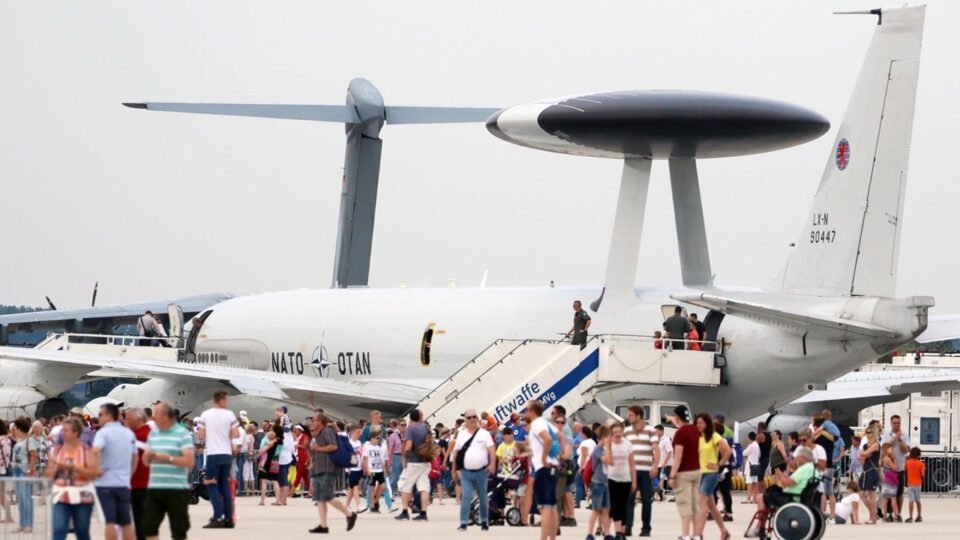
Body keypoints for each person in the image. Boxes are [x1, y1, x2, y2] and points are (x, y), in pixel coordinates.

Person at [141, 402, 196, 540]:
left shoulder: (182, 434)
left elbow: (189, 461)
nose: (153, 418)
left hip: (176, 488)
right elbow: (145, 461)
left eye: (157, 414)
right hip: (155, 488)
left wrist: (168, 458)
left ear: (166, 416)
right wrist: (147, 457)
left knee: (179, 529)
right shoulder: (153, 434)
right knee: (148, 527)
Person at [48, 417, 100, 540]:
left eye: (66, 430)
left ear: (76, 433)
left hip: (82, 496)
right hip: (61, 496)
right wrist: (56, 467)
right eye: (62, 430)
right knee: (58, 530)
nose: (62, 433)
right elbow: (49, 475)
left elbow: (93, 474)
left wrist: (74, 467)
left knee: (82, 532)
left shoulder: (87, 451)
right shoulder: (57, 450)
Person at [93, 403, 138, 540]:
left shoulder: (102, 433)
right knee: (126, 521)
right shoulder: (128, 433)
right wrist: (129, 474)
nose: (98, 417)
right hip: (124, 482)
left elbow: (95, 450)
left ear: (108, 415)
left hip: (105, 483)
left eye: (100, 414)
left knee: (110, 521)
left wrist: (96, 469)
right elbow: (135, 457)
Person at [308, 412, 358, 533]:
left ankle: (349, 514)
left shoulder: (327, 431)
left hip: (328, 468)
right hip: (319, 468)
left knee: (326, 496)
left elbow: (334, 446)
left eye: (314, 420)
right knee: (319, 498)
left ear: (320, 422)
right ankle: (323, 525)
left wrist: (318, 448)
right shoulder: (319, 434)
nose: (312, 422)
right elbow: (316, 450)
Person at [197, 391, 240, 527]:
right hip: (226, 454)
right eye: (226, 399)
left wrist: (212, 434)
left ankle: (218, 516)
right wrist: (224, 435)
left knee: (212, 484)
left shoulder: (206, 415)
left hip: (213, 453)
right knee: (225, 485)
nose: (227, 402)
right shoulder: (230, 415)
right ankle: (228, 518)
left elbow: (201, 435)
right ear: (221, 399)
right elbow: (236, 434)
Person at [753, 447, 818, 533]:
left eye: (797, 457)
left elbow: (787, 483)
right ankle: (759, 526)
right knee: (768, 495)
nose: (796, 459)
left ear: (803, 457)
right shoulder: (813, 469)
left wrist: (780, 475)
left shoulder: (804, 469)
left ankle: (760, 527)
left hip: (791, 497)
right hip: (800, 496)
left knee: (761, 497)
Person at [451, 409, 496, 531]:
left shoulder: (484, 434)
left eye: (474, 417)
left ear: (477, 418)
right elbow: (456, 452)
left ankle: (484, 521)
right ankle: (464, 522)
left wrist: (492, 463)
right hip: (466, 471)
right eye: (469, 417)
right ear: (465, 420)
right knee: (465, 495)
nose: (472, 419)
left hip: (481, 471)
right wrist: (454, 469)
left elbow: (491, 449)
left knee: (483, 497)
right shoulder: (462, 435)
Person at [693, 413, 731, 540]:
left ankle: (698, 534)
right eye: (697, 423)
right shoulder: (697, 437)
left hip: (711, 474)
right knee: (712, 506)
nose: (698, 425)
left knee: (701, 503)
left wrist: (719, 464)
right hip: (699, 473)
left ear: (707, 424)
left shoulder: (714, 436)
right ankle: (724, 531)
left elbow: (728, 451)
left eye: (701, 423)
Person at [623, 405, 659, 537]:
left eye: (631, 415)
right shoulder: (627, 431)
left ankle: (646, 528)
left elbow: (656, 449)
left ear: (638, 416)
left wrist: (655, 466)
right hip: (630, 471)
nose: (629, 417)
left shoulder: (650, 430)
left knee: (646, 500)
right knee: (629, 499)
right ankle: (628, 526)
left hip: (645, 470)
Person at [527, 399, 559, 540]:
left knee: (544, 507)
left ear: (532, 411)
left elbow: (548, 439)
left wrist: (544, 458)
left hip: (543, 468)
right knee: (552, 507)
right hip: (553, 467)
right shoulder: (546, 423)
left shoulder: (536, 424)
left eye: (527, 410)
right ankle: (552, 538)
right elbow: (560, 437)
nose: (526, 412)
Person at [668, 405, 700, 540]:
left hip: (683, 473)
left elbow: (678, 456)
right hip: (697, 471)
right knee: (695, 504)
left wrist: (672, 475)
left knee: (685, 504)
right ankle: (696, 534)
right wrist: (672, 420)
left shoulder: (680, 433)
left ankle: (685, 534)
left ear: (677, 417)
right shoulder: (695, 430)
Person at [395, 409, 432, 521]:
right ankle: (423, 513)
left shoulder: (411, 428)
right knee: (424, 487)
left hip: (413, 462)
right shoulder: (426, 427)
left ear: (411, 417)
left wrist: (405, 458)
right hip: (425, 461)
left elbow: (409, 445)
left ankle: (405, 511)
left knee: (405, 486)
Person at [604, 422, 635, 539]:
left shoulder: (628, 445)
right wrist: (608, 447)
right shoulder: (609, 444)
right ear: (611, 433)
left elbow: (632, 465)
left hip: (626, 479)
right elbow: (609, 462)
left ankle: (622, 531)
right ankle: (618, 533)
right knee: (615, 506)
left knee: (624, 506)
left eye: (619, 432)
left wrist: (634, 481)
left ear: (623, 432)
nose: (617, 434)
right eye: (615, 432)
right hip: (612, 479)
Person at [124, 407, 151, 540]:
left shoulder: (140, 436)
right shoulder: (144, 433)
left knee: (140, 519)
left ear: (138, 419)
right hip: (140, 483)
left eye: (128, 418)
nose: (126, 421)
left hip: (140, 483)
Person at [11, 416, 38, 533]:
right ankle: (22, 523)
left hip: (24, 470)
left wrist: (29, 470)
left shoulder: (29, 440)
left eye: (15, 428)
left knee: (26, 498)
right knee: (20, 498)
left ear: (19, 428)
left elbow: (34, 455)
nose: (14, 430)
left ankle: (29, 524)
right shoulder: (19, 440)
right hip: (16, 470)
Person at [881, 414, 910, 519]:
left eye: (898, 423)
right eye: (894, 423)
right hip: (888, 469)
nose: (896, 425)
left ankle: (898, 513)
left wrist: (900, 439)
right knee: (888, 493)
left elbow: (906, 450)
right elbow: (884, 447)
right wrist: (894, 438)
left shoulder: (905, 435)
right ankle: (889, 514)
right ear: (891, 423)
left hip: (900, 467)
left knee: (899, 493)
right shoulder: (886, 435)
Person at [585, 425, 611, 540]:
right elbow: (607, 460)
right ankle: (589, 533)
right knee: (596, 509)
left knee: (606, 509)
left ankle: (607, 533)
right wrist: (608, 447)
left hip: (605, 482)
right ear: (603, 437)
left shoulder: (604, 449)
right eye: (608, 437)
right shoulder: (598, 450)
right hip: (597, 482)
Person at [362, 429, 390, 513]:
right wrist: (367, 469)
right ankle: (372, 505)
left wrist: (384, 470)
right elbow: (365, 459)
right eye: (377, 438)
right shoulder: (368, 447)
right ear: (372, 438)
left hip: (379, 469)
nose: (378, 440)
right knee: (372, 487)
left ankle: (374, 501)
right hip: (372, 469)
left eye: (379, 438)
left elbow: (382, 460)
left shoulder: (378, 447)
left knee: (382, 486)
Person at [859, 427, 881, 524]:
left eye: (870, 432)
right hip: (865, 470)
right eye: (867, 432)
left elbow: (864, 454)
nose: (868, 434)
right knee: (861, 493)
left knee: (872, 494)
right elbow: (860, 455)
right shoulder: (865, 445)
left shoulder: (876, 444)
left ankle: (872, 518)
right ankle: (873, 514)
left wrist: (864, 454)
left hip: (872, 470)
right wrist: (864, 454)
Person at [880, 445, 901, 522]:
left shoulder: (882, 458)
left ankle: (885, 516)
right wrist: (895, 460)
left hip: (885, 479)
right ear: (886, 450)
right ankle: (896, 515)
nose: (892, 451)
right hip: (891, 480)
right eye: (891, 449)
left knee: (885, 499)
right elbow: (895, 468)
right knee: (893, 498)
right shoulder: (888, 459)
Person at [0, 419, 15, 524]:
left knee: (1, 495)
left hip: (1, 469)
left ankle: (9, 517)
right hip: (4, 468)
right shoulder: (7, 439)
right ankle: (7, 516)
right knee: (2, 494)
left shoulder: (2, 439)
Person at [346, 425, 363, 512]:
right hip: (352, 468)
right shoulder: (348, 443)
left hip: (358, 467)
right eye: (357, 432)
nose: (359, 434)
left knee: (351, 488)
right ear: (352, 432)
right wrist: (348, 467)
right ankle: (359, 505)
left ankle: (347, 505)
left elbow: (360, 454)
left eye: (359, 432)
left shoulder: (359, 443)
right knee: (356, 486)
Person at [904, 447, 924, 522]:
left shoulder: (908, 463)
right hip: (918, 484)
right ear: (919, 455)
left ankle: (910, 517)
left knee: (911, 500)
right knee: (918, 500)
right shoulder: (921, 464)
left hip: (910, 484)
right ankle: (919, 516)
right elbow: (923, 474)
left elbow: (904, 469)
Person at [655, 424, 673, 500]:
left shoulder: (666, 440)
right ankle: (660, 495)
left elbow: (669, 451)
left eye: (656, 431)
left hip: (667, 464)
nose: (655, 433)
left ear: (661, 431)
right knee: (657, 480)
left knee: (670, 480)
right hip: (659, 464)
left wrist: (665, 462)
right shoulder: (658, 440)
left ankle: (677, 496)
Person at [388, 420, 405, 495]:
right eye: (402, 425)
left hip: (405, 456)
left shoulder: (407, 435)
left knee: (403, 475)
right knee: (395, 475)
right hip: (396, 455)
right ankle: (390, 491)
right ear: (398, 426)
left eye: (405, 425)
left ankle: (399, 491)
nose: (403, 426)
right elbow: (390, 448)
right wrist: (389, 459)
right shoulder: (393, 436)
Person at [742, 432, 760, 504]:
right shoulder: (757, 445)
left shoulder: (751, 445)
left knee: (749, 483)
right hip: (756, 465)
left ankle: (748, 498)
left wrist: (748, 446)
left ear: (749, 438)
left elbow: (744, 453)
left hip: (750, 466)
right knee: (755, 483)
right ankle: (755, 498)